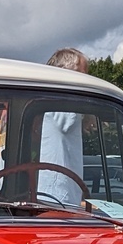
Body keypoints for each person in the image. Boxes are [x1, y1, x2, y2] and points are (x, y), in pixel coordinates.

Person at [38, 47, 89, 205]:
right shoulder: (58, 101)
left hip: (49, 194)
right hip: (56, 197)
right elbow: (67, 121)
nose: (86, 82)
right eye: (83, 76)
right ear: (67, 74)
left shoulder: (38, 100)